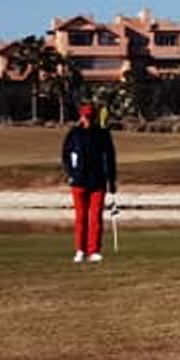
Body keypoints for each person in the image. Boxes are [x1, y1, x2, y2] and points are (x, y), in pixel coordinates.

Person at [62, 101, 116, 264]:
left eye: (90, 116)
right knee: (81, 218)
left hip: (98, 180)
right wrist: (70, 173)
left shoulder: (102, 134)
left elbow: (110, 158)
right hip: (78, 180)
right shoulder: (74, 134)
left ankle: (94, 250)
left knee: (95, 217)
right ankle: (80, 250)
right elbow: (66, 156)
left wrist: (111, 180)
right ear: (81, 116)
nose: (87, 119)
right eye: (86, 116)